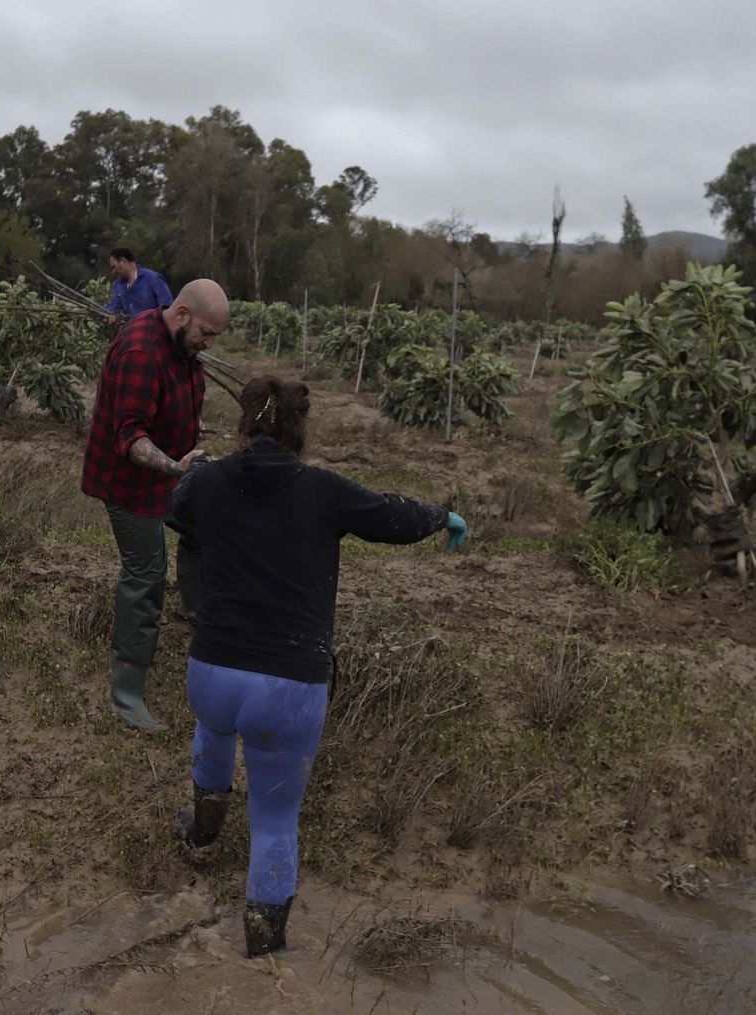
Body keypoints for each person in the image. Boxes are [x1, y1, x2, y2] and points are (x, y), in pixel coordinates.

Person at [168, 376, 468, 959]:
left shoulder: (208, 483)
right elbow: (393, 517)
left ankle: (201, 832)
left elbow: (177, 513)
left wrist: (195, 470)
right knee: (275, 821)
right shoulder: (324, 490)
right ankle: (262, 955)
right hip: (288, 685)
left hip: (213, 674)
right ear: (299, 434)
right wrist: (442, 516)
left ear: (243, 427)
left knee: (213, 731)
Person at [81, 279, 227, 730]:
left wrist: (190, 422)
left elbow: (173, 394)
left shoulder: (180, 346)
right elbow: (130, 438)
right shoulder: (141, 354)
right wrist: (178, 467)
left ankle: (196, 612)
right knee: (145, 574)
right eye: (207, 332)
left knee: (206, 527)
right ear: (182, 314)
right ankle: (126, 696)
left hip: (168, 476)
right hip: (130, 484)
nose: (209, 343)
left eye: (215, 336)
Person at [103, 247, 174, 322]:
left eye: (114, 267)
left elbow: (167, 307)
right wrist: (105, 315)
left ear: (123, 261)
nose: (113, 271)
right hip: (133, 330)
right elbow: (113, 307)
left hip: (154, 329)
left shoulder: (152, 278)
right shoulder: (117, 285)